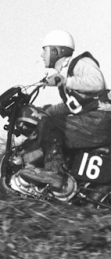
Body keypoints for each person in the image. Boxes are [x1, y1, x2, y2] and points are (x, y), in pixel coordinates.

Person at [19, 30, 111, 193]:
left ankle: (54, 173)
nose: (41, 55)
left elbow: (98, 82)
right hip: (94, 120)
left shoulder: (80, 62)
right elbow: (72, 105)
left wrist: (65, 81)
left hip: (100, 120)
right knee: (49, 120)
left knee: (51, 124)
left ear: (55, 51)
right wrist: (47, 111)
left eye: (45, 50)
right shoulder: (65, 74)